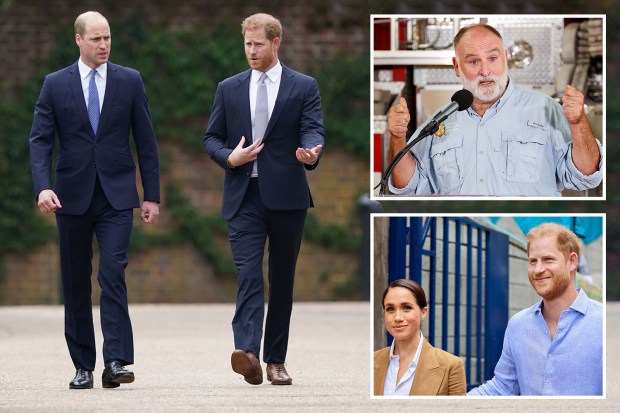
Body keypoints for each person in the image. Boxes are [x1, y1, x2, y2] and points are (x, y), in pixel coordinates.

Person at [29, 11, 160, 389]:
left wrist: (151, 195)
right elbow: (40, 140)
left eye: (107, 38)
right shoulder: (55, 84)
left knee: (113, 272)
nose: (104, 45)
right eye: (96, 39)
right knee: (75, 281)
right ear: (78, 40)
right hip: (69, 196)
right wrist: (42, 186)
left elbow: (146, 142)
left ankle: (116, 360)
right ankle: (83, 365)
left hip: (117, 196)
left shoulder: (129, 81)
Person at [203, 13, 324, 386]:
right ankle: (249, 353)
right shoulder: (229, 88)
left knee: (282, 280)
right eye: (247, 44)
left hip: (287, 196)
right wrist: (230, 157)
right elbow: (211, 138)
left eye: (257, 44)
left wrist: (310, 152)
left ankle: (276, 360)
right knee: (248, 274)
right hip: (244, 196)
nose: (251, 51)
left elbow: (313, 128)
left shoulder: (303, 86)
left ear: (275, 43)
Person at [386, 23, 602, 196]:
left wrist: (578, 122)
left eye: (492, 58)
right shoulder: (439, 121)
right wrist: (397, 137)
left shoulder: (545, 109)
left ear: (505, 59)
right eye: (473, 61)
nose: (485, 70)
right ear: (456, 66)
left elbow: (586, 177)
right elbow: (408, 186)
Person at [468, 223, 602, 395]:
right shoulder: (517, 324)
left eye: (548, 259)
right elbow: (500, 389)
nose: (538, 269)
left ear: (572, 261)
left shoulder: (602, 324)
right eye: (533, 261)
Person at [374, 279, 466, 396]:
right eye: (390, 309)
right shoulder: (372, 361)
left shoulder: (451, 366)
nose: (397, 317)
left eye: (406, 307)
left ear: (423, 313)